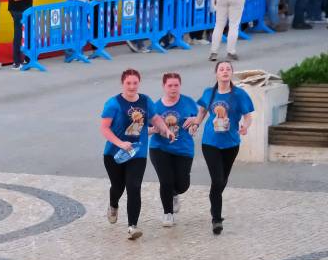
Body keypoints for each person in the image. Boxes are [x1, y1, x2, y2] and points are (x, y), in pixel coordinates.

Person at [195, 60, 254, 235]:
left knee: (222, 181)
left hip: (231, 143)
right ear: (216, 73)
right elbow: (202, 111)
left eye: (228, 69)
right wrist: (196, 123)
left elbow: (248, 116)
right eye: (221, 69)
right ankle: (216, 219)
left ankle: (214, 200)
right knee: (218, 180)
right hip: (210, 142)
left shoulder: (239, 95)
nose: (225, 71)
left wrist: (245, 126)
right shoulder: (209, 93)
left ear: (231, 73)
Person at [100, 68, 152, 241]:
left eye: (135, 83)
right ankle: (113, 204)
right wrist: (121, 143)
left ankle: (132, 226)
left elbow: (156, 118)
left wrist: (164, 129)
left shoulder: (145, 101)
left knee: (134, 187)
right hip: (114, 154)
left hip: (137, 153)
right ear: (122, 84)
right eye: (128, 83)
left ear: (139, 83)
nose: (131, 86)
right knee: (118, 187)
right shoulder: (113, 103)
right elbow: (104, 128)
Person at [149, 72, 200, 228]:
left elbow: (196, 121)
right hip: (160, 148)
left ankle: (175, 194)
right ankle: (168, 214)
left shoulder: (188, 102)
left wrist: (194, 122)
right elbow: (144, 130)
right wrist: (156, 129)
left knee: (183, 184)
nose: (173, 88)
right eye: (170, 85)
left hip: (183, 149)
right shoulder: (155, 107)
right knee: (166, 181)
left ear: (180, 86)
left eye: (176, 85)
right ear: (164, 87)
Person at [8, 0, 34, 69]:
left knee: (29, 33)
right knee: (18, 35)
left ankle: (27, 59)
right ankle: (16, 62)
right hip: (17, 10)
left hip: (28, 8)